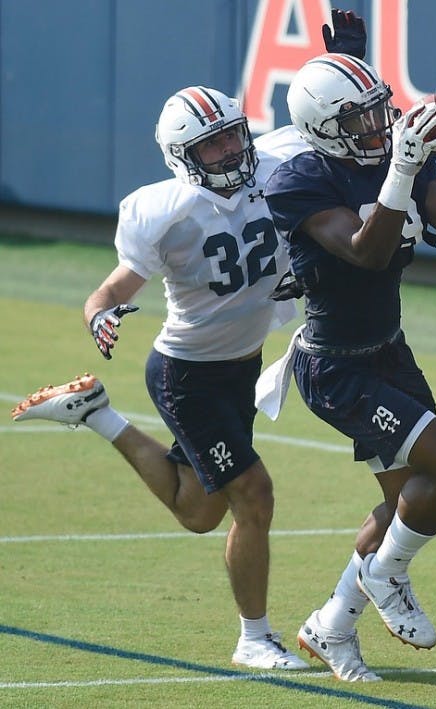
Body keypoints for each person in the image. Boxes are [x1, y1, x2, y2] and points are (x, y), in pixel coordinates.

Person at [10, 84, 313, 670]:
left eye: (231, 134)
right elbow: (113, 287)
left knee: (199, 512)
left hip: (241, 366)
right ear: (181, 157)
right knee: (254, 495)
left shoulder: (278, 160)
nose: (228, 150)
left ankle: (95, 411)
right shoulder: (164, 209)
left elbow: (328, 113)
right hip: (187, 373)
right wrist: (99, 313)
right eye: (211, 144)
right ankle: (254, 638)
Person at [256, 41, 436, 681]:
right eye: (357, 117)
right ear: (322, 129)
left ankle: (331, 625)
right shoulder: (300, 178)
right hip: (336, 370)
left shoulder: (390, 151)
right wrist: (402, 171)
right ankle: (387, 572)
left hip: (389, 351)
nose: (377, 126)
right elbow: (366, 252)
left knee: (405, 502)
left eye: (377, 110)